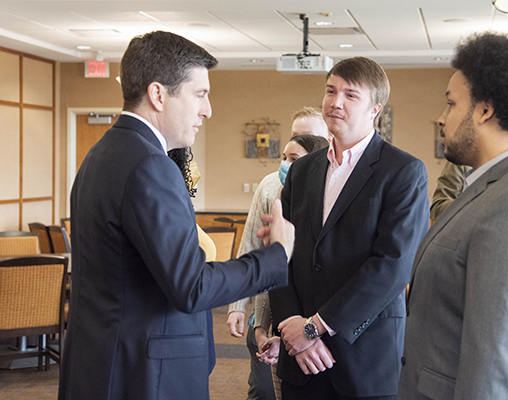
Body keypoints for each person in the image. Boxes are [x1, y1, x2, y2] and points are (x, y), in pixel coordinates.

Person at [58, 31, 294, 400]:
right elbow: (191, 285)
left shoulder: (101, 154)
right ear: (158, 94)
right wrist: (274, 256)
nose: (208, 109)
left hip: (106, 364)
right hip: (142, 375)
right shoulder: (150, 165)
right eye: (199, 94)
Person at [397, 32, 508, 400]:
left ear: (484, 109)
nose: (441, 117)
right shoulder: (492, 184)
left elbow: (495, 366)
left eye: (451, 103)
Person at [269, 56, 430, 400]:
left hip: (363, 360)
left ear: (376, 109)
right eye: (330, 91)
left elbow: (392, 265)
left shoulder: (403, 171)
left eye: (351, 95)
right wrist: (293, 329)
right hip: (299, 361)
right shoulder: (302, 171)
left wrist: (313, 328)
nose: (335, 102)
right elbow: (278, 254)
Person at [226, 108, 329, 400]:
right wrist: (238, 307)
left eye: (307, 138)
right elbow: (253, 247)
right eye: (295, 137)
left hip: (312, 318)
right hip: (265, 308)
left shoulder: (332, 189)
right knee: (262, 391)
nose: (290, 157)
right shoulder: (271, 186)